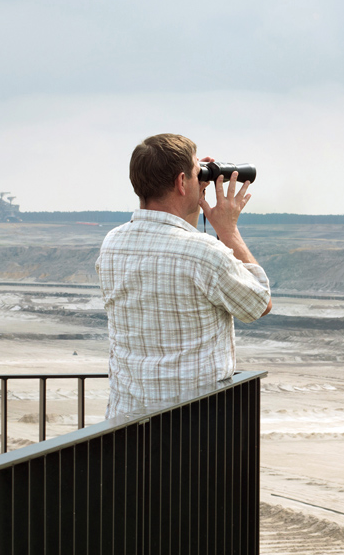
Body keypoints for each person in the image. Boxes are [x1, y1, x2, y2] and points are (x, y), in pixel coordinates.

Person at [98, 133, 272, 420]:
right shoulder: (203, 253)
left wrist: (192, 188)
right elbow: (259, 303)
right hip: (192, 429)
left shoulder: (113, 243)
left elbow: (174, 233)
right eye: (196, 173)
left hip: (126, 422)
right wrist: (227, 230)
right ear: (181, 182)